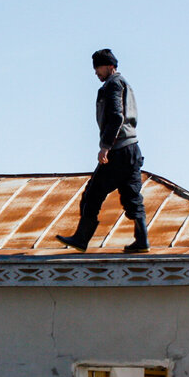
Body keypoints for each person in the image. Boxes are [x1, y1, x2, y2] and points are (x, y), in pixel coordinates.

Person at [57, 48, 149, 253]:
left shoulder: (113, 84)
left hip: (118, 149)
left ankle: (82, 238)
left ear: (109, 66)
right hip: (133, 149)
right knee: (132, 196)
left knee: (92, 194)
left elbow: (117, 117)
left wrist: (105, 147)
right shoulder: (125, 84)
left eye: (98, 67)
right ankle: (142, 241)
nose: (96, 72)